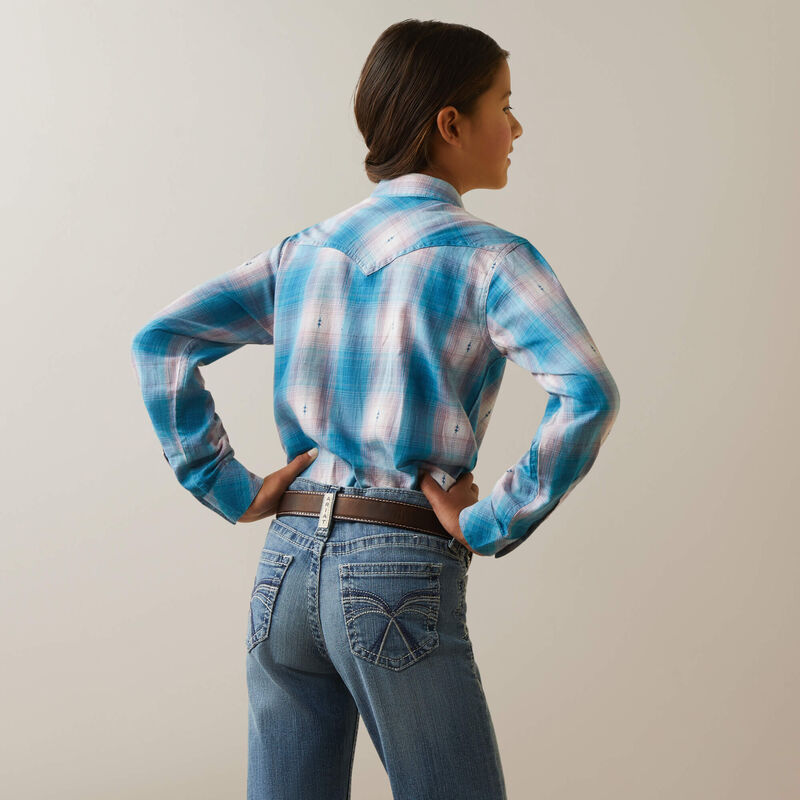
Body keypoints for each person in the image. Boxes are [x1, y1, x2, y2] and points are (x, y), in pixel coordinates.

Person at [130, 18, 620, 800]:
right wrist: (489, 521)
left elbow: (162, 341)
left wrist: (227, 486)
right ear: (450, 124)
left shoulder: (305, 253)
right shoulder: (491, 260)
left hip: (284, 566)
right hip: (397, 564)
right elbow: (588, 392)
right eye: (504, 105)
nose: (517, 126)